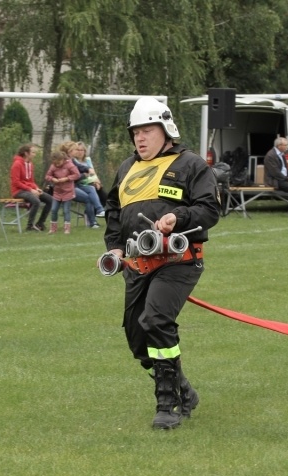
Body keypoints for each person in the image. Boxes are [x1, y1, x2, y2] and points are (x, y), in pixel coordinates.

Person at [102, 96, 219, 429]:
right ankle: (183, 388)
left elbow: (210, 210)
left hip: (178, 261)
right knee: (138, 339)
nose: (140, 138)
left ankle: (167, 405)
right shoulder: (126, 169)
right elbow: (113, 212)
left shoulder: (190, 164)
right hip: (137, 266)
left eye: (147, 130)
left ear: (166, 130)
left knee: (155, 320)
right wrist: (114, 248)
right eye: (136, 131)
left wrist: (176, 217)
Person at [59, 140, 102, 228]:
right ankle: (92, 222)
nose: (76, 151)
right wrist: (84, 175)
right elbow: (71, 177)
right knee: (88, 198)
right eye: (75, 149)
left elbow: (80, 167)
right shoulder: (63, 161)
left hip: (75, 185)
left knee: (91, 189)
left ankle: (99, 210)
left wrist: (88, 169)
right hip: (67, 187)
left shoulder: (72, 160)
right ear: (70, 151)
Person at [10, 143, 52, 231]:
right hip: (18, 191)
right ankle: (30, 225)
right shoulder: (17, 164)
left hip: (29, 190)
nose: (34, 154)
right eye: (33, 152)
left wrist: (36, 188)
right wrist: (31, 190)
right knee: (36, 201)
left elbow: (31, 181)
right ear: (26, 153)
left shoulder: (30, 164)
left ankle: (40, 223)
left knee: (50, 200)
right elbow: (16, 182)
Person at [44, 150, 81, 234]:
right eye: (55, 163)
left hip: (68, 191)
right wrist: (52, 179)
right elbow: (47, 176)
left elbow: (77, 174)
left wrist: (67, 178)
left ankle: (67, 228)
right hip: (57, 191)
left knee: (66, 210)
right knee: (53, 209)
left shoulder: (69, 165)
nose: (57, 165)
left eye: (59, 162)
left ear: (63, 159)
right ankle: (53, 228)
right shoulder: (53, 166)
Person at [76, 141, 108, 207]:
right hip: (80, 183)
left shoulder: (87, 159)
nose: (80, 152)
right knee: (95, 190)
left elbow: (93, 172)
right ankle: (96, 211)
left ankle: (96, 211)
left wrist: (97, 182)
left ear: (84, 151)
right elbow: (79, 176)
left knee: (104, 195)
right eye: (78, 150)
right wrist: (93, 180)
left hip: (90, 181)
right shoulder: (74, 161)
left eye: (81, 150)